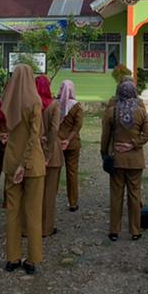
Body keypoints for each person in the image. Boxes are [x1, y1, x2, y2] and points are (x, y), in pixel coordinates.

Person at [2, 65, 46, 274]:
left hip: (11, 162)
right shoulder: (34, 102)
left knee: (13, 212)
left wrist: (17, 164)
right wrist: (25, 164)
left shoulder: (7, 101)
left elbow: (3, 132)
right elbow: (34, 136)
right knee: (33, 213)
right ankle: (33, 259)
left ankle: (12, 258)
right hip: (33, 165)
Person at [101, 78, 148, 241]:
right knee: (134, 195)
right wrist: (133, 144)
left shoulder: (112, 111)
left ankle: (114, 230)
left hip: (117, 159)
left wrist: (105, 154)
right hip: (135, 160)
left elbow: (105, 138)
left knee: (116, 195)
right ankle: (135, 230)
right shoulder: (141, 112)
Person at [38, 76, 64, 237]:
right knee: (49, 193)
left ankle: (30, 226)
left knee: (34, 192)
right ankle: (46, 227)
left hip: (35, 150)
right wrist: (48, 149)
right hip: (52, 151)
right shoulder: (54, 105)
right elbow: (54, 129)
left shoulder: (32, 104)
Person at [57, 80, 83, 213]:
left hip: (56, 143)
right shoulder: (76, 106)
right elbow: (77, 126)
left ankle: (50, 198)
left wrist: (59, 139)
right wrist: (68, 140)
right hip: (72, 143)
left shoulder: (55, 105)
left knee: (54, 172)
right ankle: (73, 202)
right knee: (72, 173)